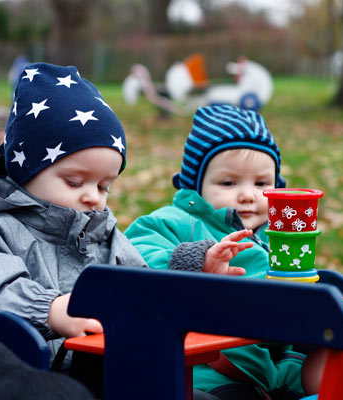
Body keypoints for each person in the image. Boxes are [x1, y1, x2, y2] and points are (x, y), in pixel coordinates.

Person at [0, 62, 147, 395]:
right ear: (25, 172)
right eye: (75, 181)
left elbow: (141, 287)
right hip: (19, 380)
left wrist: (189, 266)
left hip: (106, 370)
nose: (92, 197)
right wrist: (50, 310)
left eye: (104, 186)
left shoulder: (102, 230)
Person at [125, 105, 307, 399]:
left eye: (262, 184)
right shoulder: (174, 222)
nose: (248, 194)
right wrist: (198, 260)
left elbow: (284, 335)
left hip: (267, 373)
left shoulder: (279, 239)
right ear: (195, 186)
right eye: (228, 183)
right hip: (198, 372)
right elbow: (135, 260)